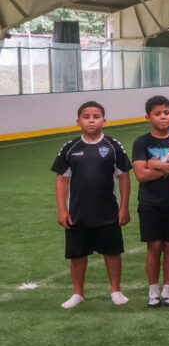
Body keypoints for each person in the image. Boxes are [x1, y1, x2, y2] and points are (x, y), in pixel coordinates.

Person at [52, 101, 132, 309]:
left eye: (96, 116)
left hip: (108, 212)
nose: (91, 120)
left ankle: (116, 290)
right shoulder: (70, 148)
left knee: (112, 252)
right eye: (86, 117)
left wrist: (124, 207)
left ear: (104, 121)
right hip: (78, 213)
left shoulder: (114, 146)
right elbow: (62, 180)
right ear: (78, 121)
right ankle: (78, 293)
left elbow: (124, 177)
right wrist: (62, 209)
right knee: (77, 254)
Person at [132, 95, 169, 308]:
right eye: (157, 114)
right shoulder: (142, 142)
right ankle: (153, 291)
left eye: (166, 113)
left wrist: (159, 166)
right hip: (150, 203)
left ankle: (167, 291)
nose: (163, 117)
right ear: (148, 117)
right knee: (154, 246)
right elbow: (141, 175)